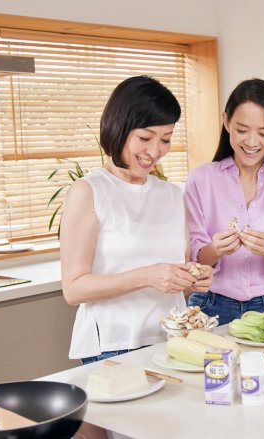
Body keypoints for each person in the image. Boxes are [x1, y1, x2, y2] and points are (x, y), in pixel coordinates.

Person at [60, 76, 213, 365]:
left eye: (165, 139)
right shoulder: (89, 191)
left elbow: (177, 275)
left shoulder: (172, 194)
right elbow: (74, 289)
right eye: (145, 138)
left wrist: (193, 279)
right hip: (113, 346)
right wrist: (147, 276)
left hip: (173, 340)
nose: (155, 151)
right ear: (119, 127)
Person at [184, 78, 264, 325]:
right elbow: (195, 256)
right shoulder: (201, 179)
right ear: (226, 122)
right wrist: (214, 249)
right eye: (242, 130)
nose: (252, 142)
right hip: (209, 304)